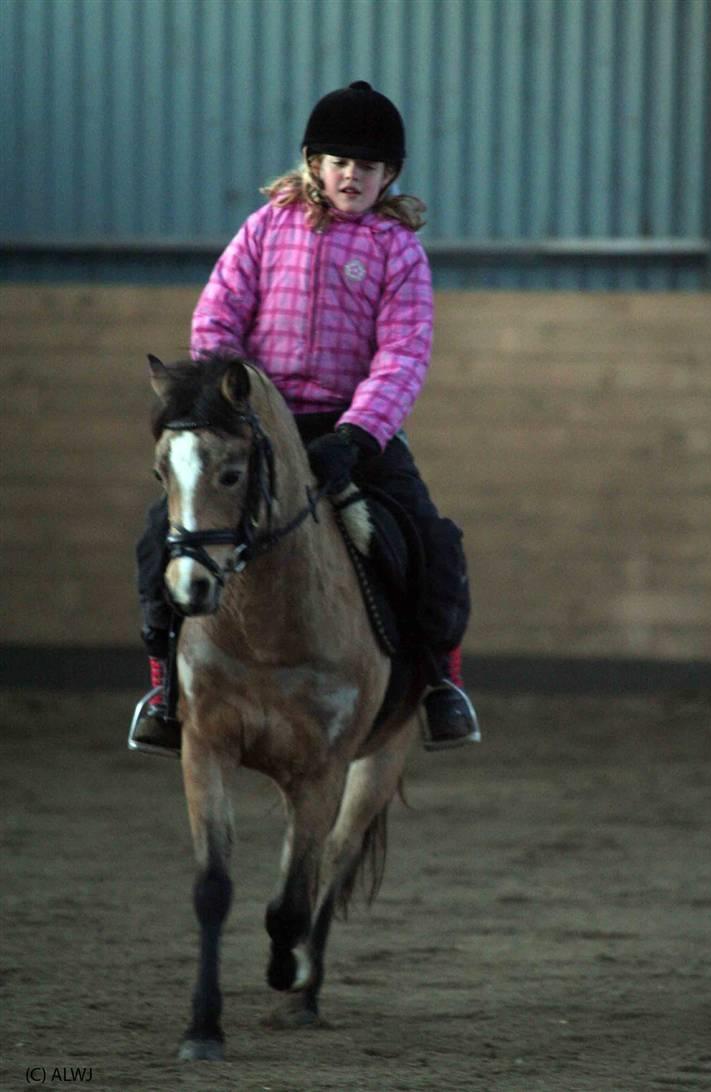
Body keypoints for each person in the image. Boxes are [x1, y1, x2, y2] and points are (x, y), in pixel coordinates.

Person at [131, 81, 480, 755]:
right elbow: (218, 314)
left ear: (389, 176)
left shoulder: (397, 251)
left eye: (369, 167)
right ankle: (163, 690)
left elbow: (403, 354)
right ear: (313, 164)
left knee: (431, 541)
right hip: (260, 425)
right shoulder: (265, 228)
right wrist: (227, 398)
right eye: (340, 161)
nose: (354, 175)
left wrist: (356, 435)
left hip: (351, 432)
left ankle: (440, 684)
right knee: (162, 534)